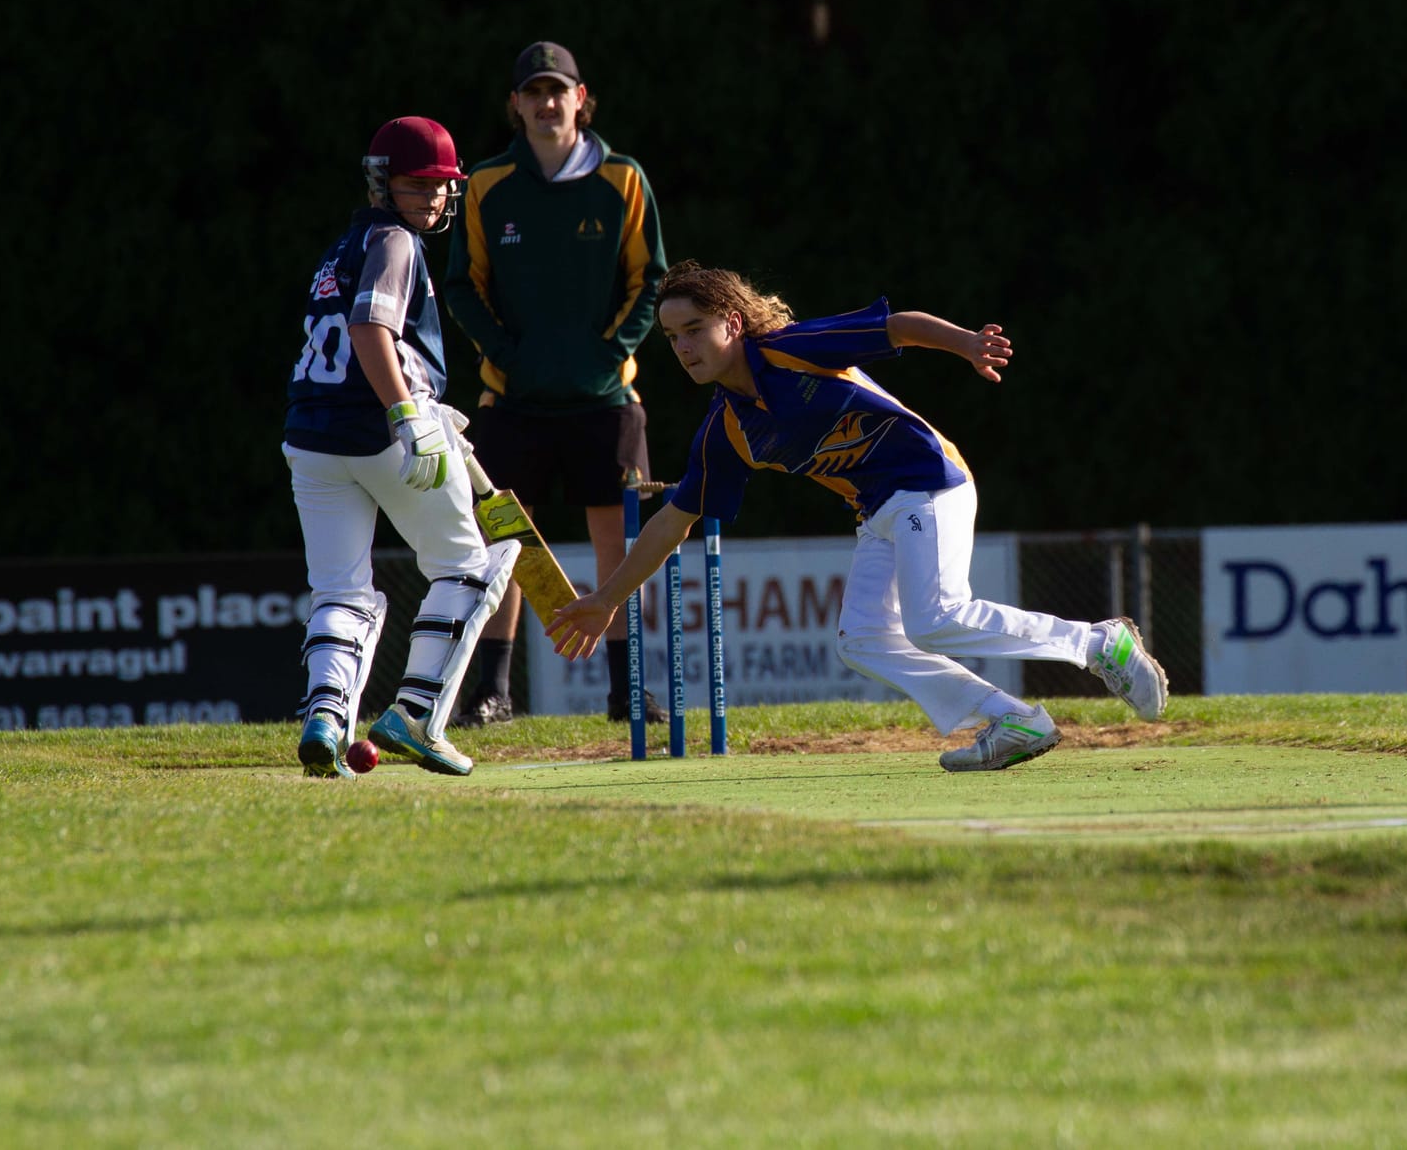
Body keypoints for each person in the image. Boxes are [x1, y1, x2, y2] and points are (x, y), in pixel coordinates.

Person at [543, 262, 1168, 772]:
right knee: (862, 638)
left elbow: (898, 328)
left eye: (694, 329)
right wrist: (607, 599)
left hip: (930, 482)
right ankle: (1016, 721)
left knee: (937, 617)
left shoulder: (791, 349)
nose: (682, 347)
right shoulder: (726, 429)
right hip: (879, 513)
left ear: (733, 323)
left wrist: (968, 345)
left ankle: (1096, 644)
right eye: (672, 337)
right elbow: (672, 521)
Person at [284, 115, 519, 779]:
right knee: (472, 566)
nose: (433, 198)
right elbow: (369, 329)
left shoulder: (341, 246)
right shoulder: (395, 242)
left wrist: (419, 397)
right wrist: (411, 413)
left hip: (311, 435)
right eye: (418, 185)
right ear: (383, 183)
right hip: (383, 432)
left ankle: (326, 718)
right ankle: (416, 712)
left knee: (340, 590)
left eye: (441, 186)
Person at [443, 41, 668, 726]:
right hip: (510, 400)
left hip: (605, 398)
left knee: (615, 544)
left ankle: (626, 689)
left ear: (580, 97)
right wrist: (505, 354)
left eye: (557, 91)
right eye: (533, 92)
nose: (546, 103)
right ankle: (494, 690)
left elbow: (652, 281)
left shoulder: (623, 179)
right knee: (506, 545)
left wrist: (612, 352)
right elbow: (462, 285)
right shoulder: (485, 184)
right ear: (515, 104)